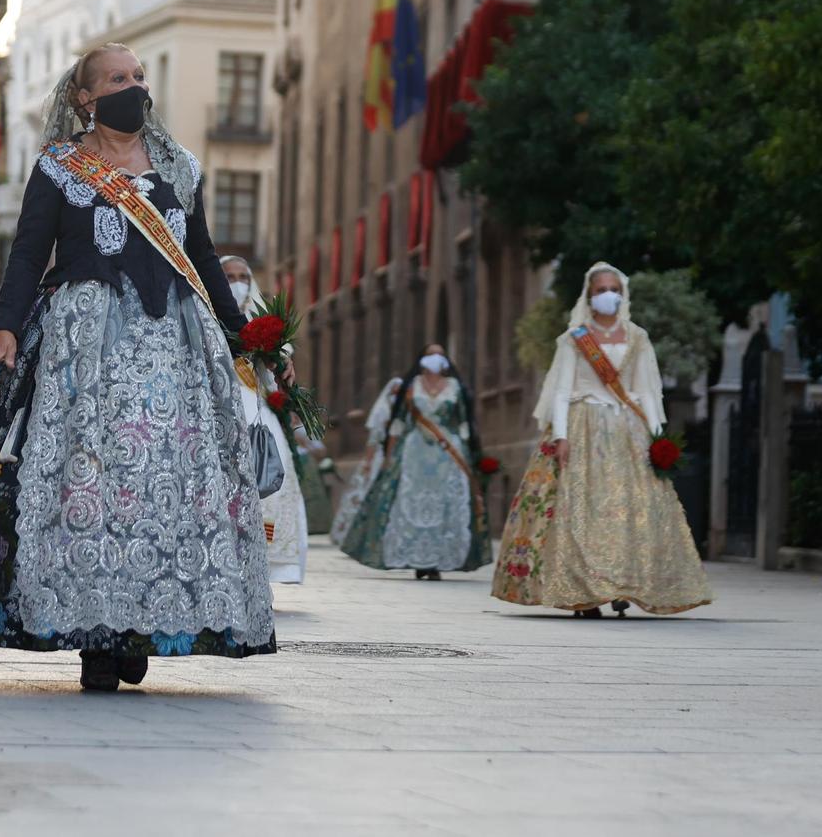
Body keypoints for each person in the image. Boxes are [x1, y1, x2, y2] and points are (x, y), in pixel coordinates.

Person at [0, 43, 274, 691]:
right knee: (94, 480)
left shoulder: (179, 166)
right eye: (118, 78)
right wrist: (4, 328)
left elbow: (200, 255)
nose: (134, 86)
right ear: (84, 98)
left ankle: (138, 622)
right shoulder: (60, 167)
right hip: (85, 351)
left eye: (140, 76)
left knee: (158, 485)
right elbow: (28, 254)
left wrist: (247, 333)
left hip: (174, 350)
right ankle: (97, 631)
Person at [492, 264, 712, 617]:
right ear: (590, 295)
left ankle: (622, 583)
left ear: (622, 295)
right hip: (583, 428)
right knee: (583, 508)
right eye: (600, 290)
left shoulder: (637, 337)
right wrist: (561, 436)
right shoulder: (574, 339)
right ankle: (586, 590)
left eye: (613, 289)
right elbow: (562, 391)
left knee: (630, 510)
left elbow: (647, 393)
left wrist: (658, 439)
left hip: (628, 433)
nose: (607, 295)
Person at [331, 343, 492, 578]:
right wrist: (389, 455)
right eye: (430, 356)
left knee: (445, 505)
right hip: (413, 453)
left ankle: (437, 561)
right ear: (422, 360)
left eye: (439, 355)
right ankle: (417, 559)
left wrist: (470, 454)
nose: (435, 360)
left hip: (448, 455)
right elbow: (397, 423)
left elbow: (465, 423)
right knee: (411, 503)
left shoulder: (455, 387)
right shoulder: (411, 386)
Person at [222, 255, 308, 584]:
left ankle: (268, 562)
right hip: (220, 406)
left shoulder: (266, 325)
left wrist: (282, 368)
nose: (237, 281)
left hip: (258, 413)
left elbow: (277, 374)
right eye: (228, 276)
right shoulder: (205, 315)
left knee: (273, 478)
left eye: (243, 275)